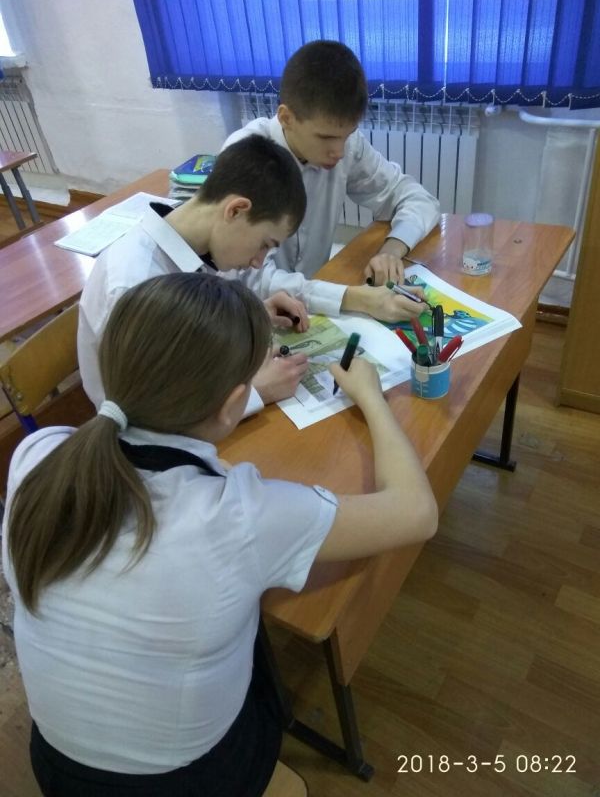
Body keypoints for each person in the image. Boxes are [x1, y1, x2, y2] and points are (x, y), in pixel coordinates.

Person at [3, 273, 438, 797]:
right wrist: (371, 397)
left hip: (54, 763)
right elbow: (416, 512)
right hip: (180, 783)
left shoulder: (38, 454)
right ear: (236, 402)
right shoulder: (240, 514)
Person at [79, 134, 429, 415]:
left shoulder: (198, 243)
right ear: (236, 210)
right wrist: (255, 393)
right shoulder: (134, 286)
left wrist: (252, 312)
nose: (259, 262)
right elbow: (144, 417)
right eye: (264, 244)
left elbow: (199, 326)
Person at [223, 40, 441, 287]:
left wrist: (391, 250)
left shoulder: (348, 146)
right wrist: (345, 297)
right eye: (325, 138)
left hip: (317, 292)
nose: (338, 152)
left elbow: (418, 199)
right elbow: (247, 276)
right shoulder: (245, 155)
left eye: (347, 135)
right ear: (286, 118)